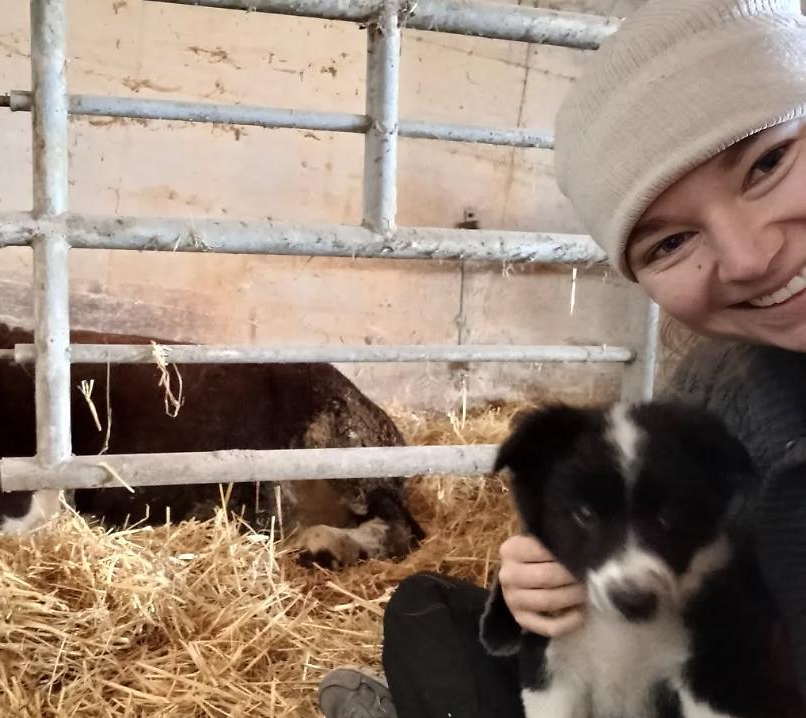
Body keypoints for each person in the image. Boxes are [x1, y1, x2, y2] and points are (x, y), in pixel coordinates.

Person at [318, 0, 806, 715]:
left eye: (769, 161)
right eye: (668, 243)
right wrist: (538, 584)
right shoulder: (720, 387)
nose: (749, 255)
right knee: (426, 609)